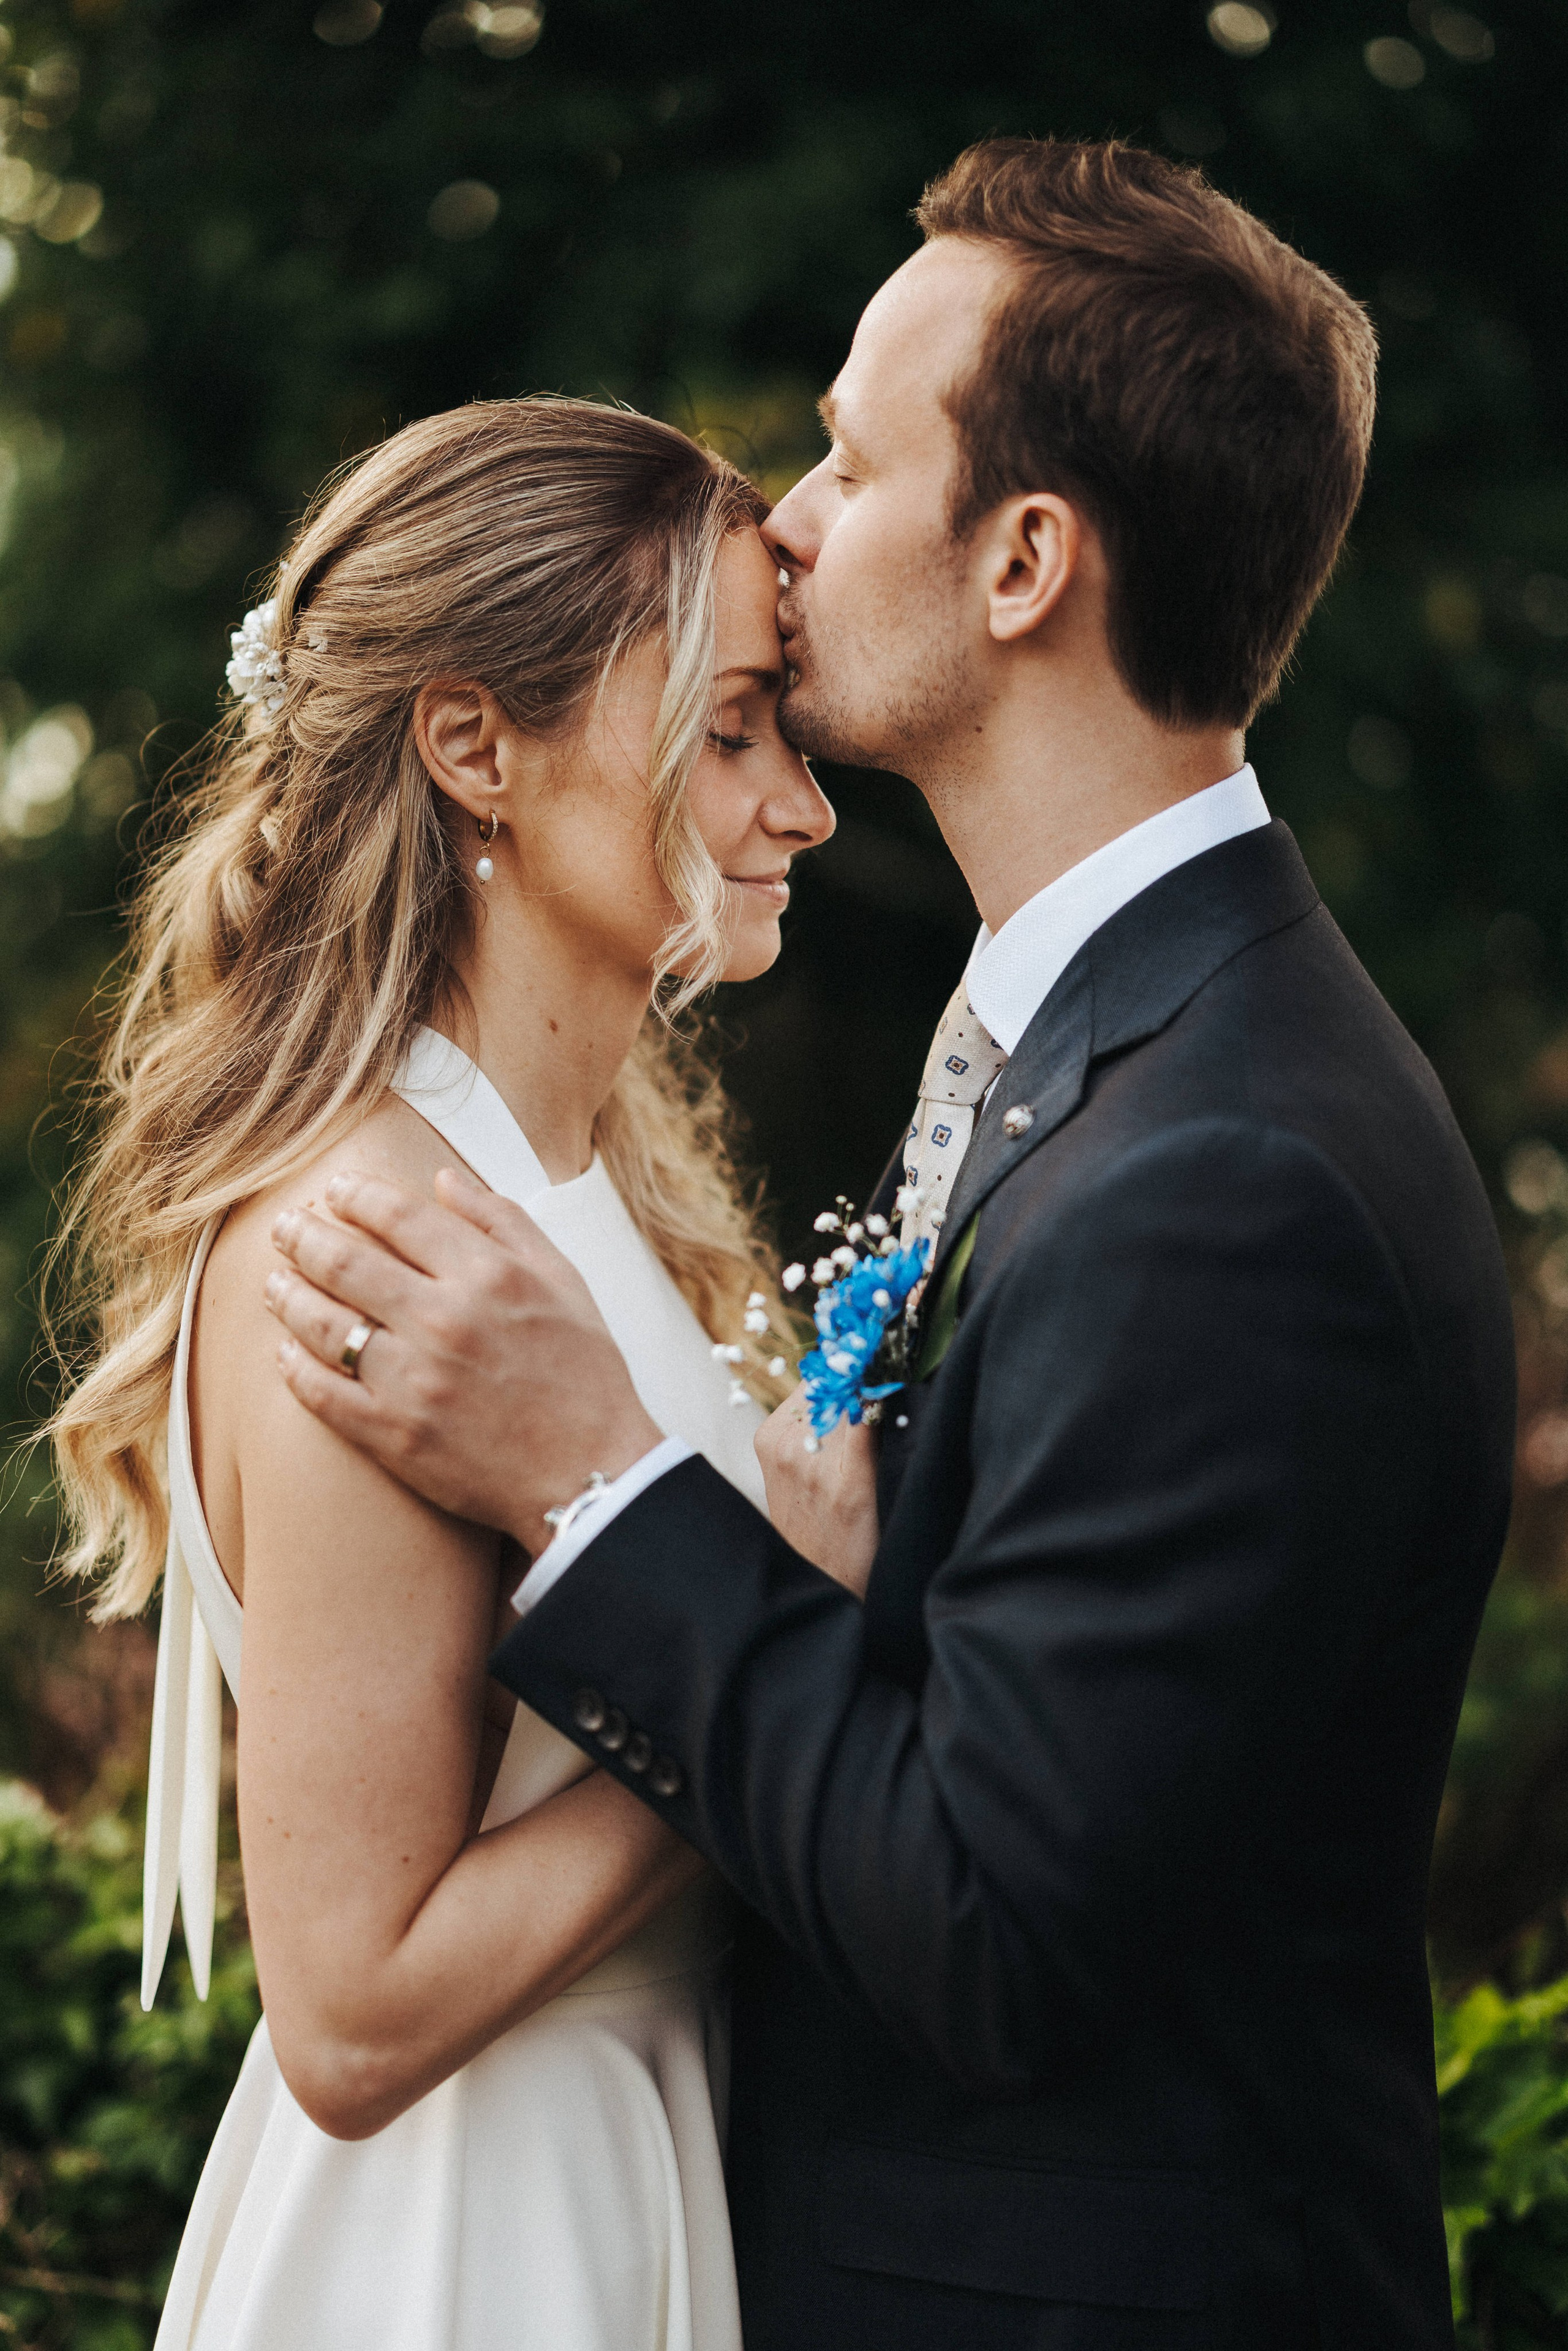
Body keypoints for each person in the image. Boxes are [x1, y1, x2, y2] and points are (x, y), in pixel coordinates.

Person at [267, 139, 1517, 2351]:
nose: (793, 521)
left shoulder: (1235, 1169)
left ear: (1029, 557)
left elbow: (989, 1921)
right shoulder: (1115, 1055)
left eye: (851, 451)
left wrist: (602, 1483)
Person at [46, 396, 834, 2351]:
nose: (799, 805)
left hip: (640, 2149)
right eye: (730, 730)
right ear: (479, 745)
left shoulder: (582, 1187)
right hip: (473, 2243)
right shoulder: (380, 1240)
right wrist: (794, 1652)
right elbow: (357, 2003)